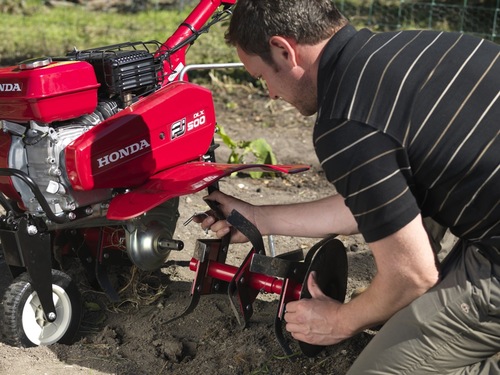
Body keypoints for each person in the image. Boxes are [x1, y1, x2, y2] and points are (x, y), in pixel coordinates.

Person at [195, 0, 500, 373]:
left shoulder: (346, 122)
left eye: (263, 78)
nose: (271, 94)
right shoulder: (417, 49)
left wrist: (338, 321)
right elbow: (375, 202)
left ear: (283, 50)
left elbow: (412, 275)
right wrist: (257, 217)